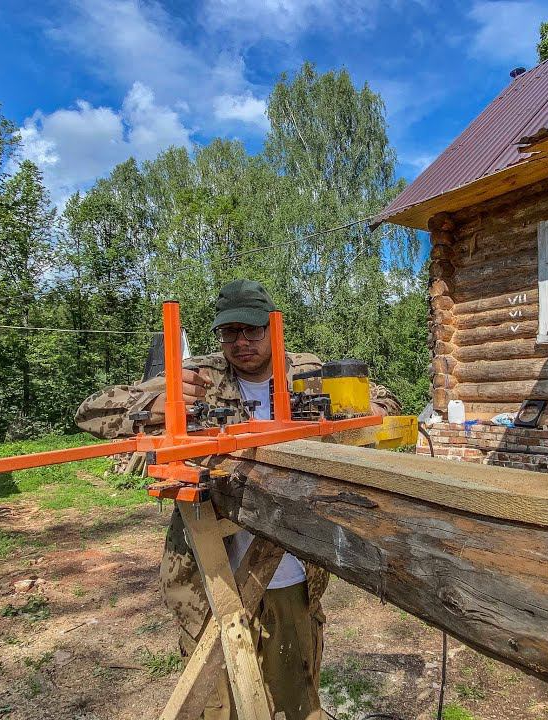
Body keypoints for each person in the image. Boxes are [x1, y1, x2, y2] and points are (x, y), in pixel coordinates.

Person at [75, 279, 399, 720]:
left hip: (291, 562)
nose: (241, 342)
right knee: (216, 701)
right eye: (230, 332)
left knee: (294, 696)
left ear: (272, 327)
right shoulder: (199, 375)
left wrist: (365, 413)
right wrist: (155, 405)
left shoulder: (306, 371)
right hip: (211, 569)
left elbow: (383, 400)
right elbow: (90, 412)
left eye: (252, 330)